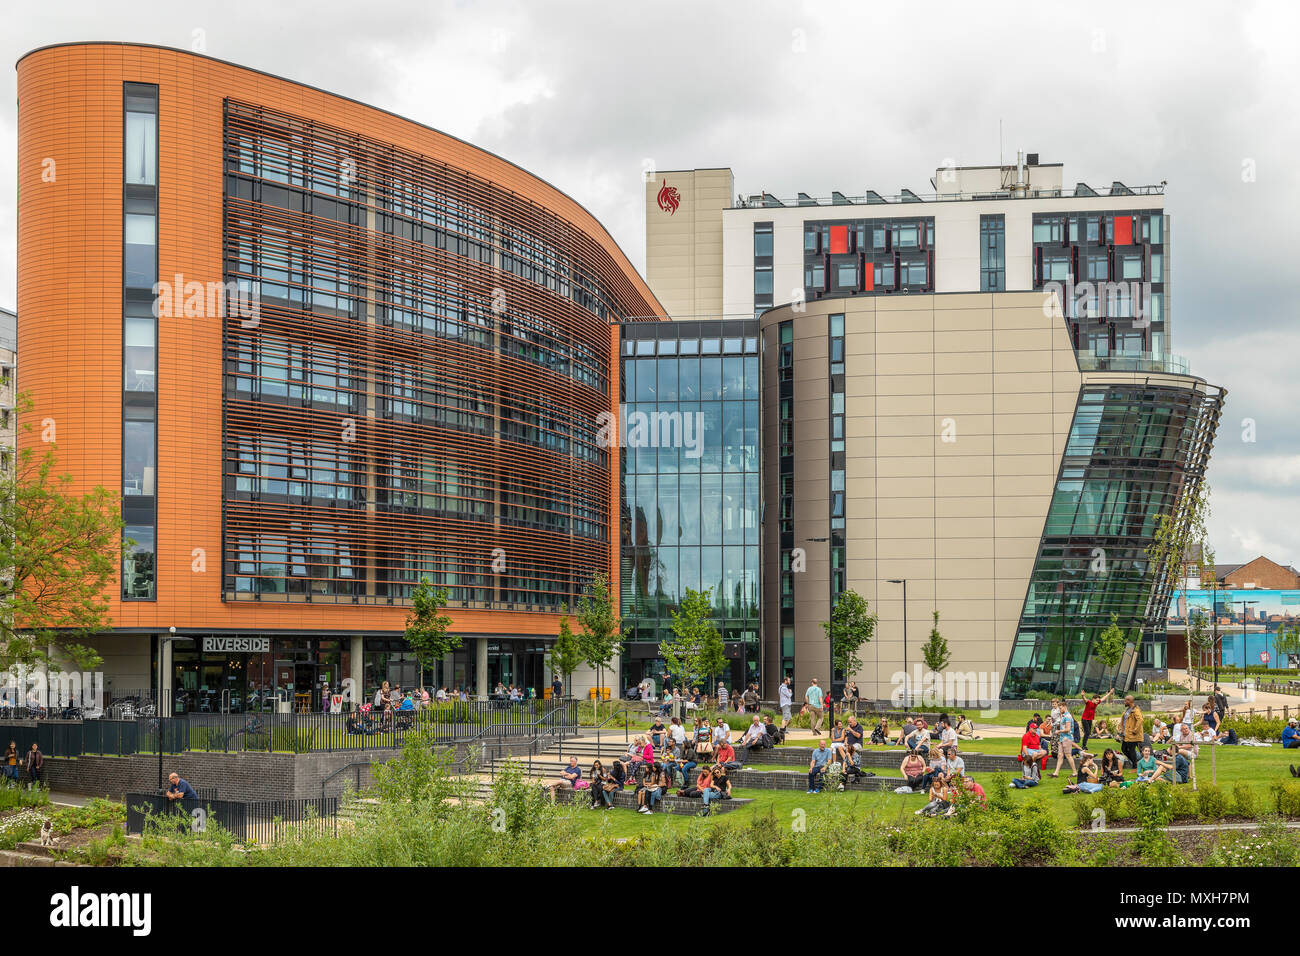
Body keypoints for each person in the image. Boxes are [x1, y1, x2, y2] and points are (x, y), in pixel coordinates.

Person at [1050, 705, 1078, 779]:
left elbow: (1068, 729)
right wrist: (1060, 733)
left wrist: (1059, 731)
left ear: (1065, 707)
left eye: (1060, 708)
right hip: (1062, 738)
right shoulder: (1063, 716)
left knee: (1068, 755)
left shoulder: (1068, 716)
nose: (1059, 710)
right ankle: (1056, 773)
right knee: (1060, 755)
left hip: (1067, 738)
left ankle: (1075, 772)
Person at [1120, 695, 1144, 771]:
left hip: (1132, 734)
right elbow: (1124, 721)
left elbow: (1140, 720)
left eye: (1126, 701)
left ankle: (1135, 767)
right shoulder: (1128, 710)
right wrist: (1121, 729)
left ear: (1130, 701)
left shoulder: (1135, 710)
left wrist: (1135, 730)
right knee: (1123, 749)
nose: (1124, 702)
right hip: (1126, 734)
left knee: (1131, 750)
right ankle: (1136, 763)